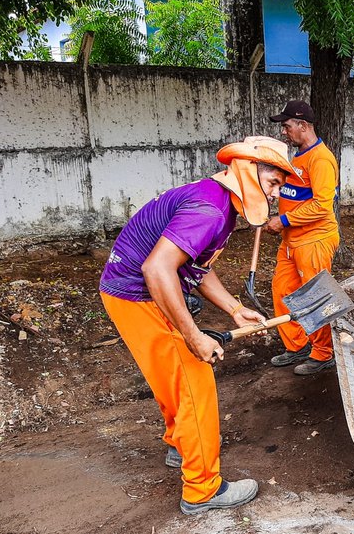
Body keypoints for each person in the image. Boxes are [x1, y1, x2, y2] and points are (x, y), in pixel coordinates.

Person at [99, 137, 299, 515]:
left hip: (125, 292)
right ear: (249, 171)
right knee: (194, 384)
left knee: (173, 379)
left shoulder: (215, 200)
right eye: (273, 184)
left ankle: (180, 444)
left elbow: (193, 266)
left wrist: (235, 309)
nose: (274, 196)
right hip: (140, 296)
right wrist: (194, 335)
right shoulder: (209, 209)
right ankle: (203, 488)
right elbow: (158, 269)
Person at [264, 100, 340, 376]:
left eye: (287, 126)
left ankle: (323, 353)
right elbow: (293, 194)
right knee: (283, 291)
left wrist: (283, 220)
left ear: (303, 126)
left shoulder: (320, 160)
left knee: (314, 297)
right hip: (292, 240)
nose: (284, 131)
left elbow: (322, 205)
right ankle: (297, 346)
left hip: (314, 240)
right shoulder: (297, 157)